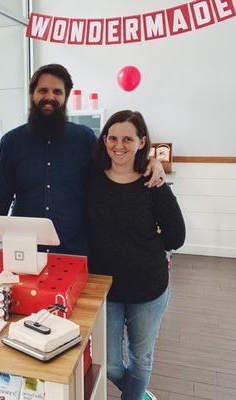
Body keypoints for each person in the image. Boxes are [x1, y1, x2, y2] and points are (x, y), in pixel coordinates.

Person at [0, 64, 165, 263]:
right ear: (32, 95)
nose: (49, 97)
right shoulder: (11, 142)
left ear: (65, 97)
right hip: (23, 251)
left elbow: (117, 166)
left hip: (75, 250)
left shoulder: (84, 138)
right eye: (43, 90)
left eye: (57, 92)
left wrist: (151, 161)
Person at [88, 110, 186, 400]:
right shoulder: (91, 178)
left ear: (141, 142)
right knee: (107, 362)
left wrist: (149, 243)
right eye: (113, 138)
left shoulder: (152, 184)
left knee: (141, 358)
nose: (119, 145)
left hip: (149, 286)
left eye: (128, 139)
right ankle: (140, 393)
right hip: (105, 287)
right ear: (104, 140)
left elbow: (176, 237)